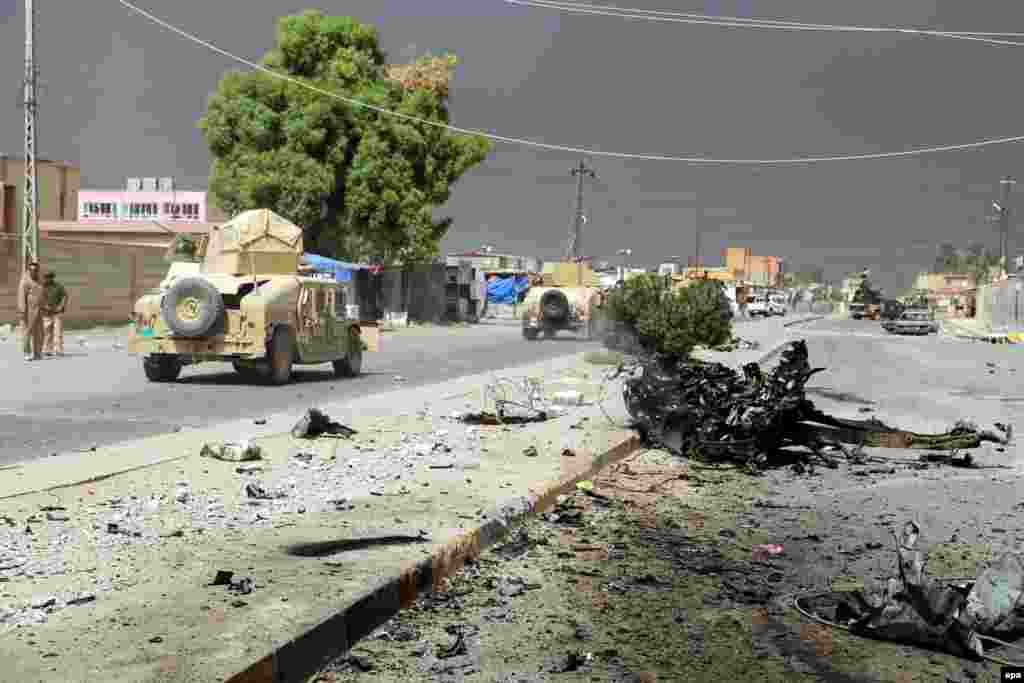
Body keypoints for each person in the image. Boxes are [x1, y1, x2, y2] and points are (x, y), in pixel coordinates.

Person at [17, 260, 45, 361]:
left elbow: (43, 294)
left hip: (39, 310)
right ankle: (27, 352)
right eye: (32, 269)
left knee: (40, 333)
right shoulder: (25, 280)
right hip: (28, 310)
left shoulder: (40, 280)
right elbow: (21, 295)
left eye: (36, 270)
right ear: (29, 270)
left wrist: (44, 306)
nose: (34, 271)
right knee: (27, 332)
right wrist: (22, 310)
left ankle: (38, 353)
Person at [42, 271, 68, 357]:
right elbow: (38, 298)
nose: (47, 279)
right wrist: (45, 306)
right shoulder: (42, 287)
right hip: (46, 313)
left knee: (58, 332)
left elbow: (65, 296)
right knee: (47, 333)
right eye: (45, 277)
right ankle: (47, 350)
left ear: (52, 278)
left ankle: (58, 350)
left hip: (57, 313)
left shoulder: (58, 286)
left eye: (49, 277)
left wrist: (61, 306)